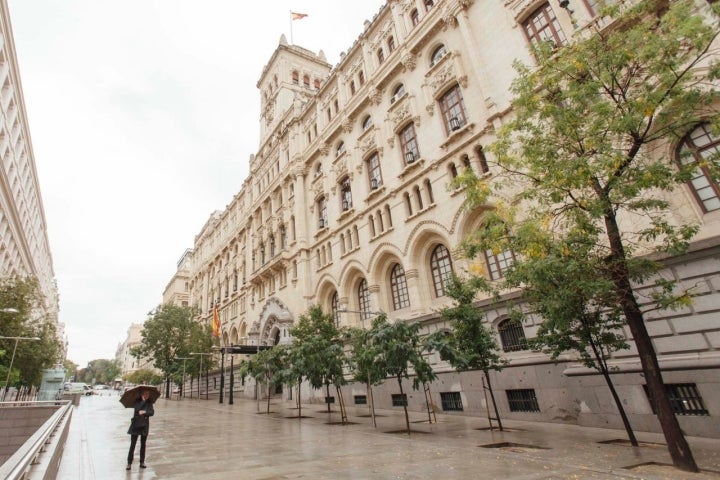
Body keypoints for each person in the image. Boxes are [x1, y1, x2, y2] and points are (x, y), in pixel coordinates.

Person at [126, 388, 154, 470]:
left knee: (143, 444)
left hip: (144, 425)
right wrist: (142, 401)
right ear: (142, 394)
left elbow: (152, 412)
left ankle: (142, 462)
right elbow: (137, 410)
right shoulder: (137, 401)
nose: (147, 395)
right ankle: (129, 463)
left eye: (148, 394)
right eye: (146, 394)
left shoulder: (149, 402)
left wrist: (145, 412)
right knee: (133, 445)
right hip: (136, 425)